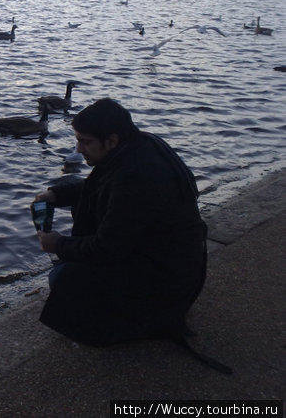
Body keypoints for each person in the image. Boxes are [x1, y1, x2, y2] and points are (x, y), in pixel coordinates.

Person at [35, 98, 207, 346]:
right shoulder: (140, 148)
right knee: (68, 271)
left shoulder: (137, 178)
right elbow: (105, 187)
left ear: (111, 140)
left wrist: (58, 244)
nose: (79, 149)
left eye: (85, 141)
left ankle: (139, 321)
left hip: (167, 280)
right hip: (175, 263)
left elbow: (106, 247)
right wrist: (58, 194)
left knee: (63, 277)